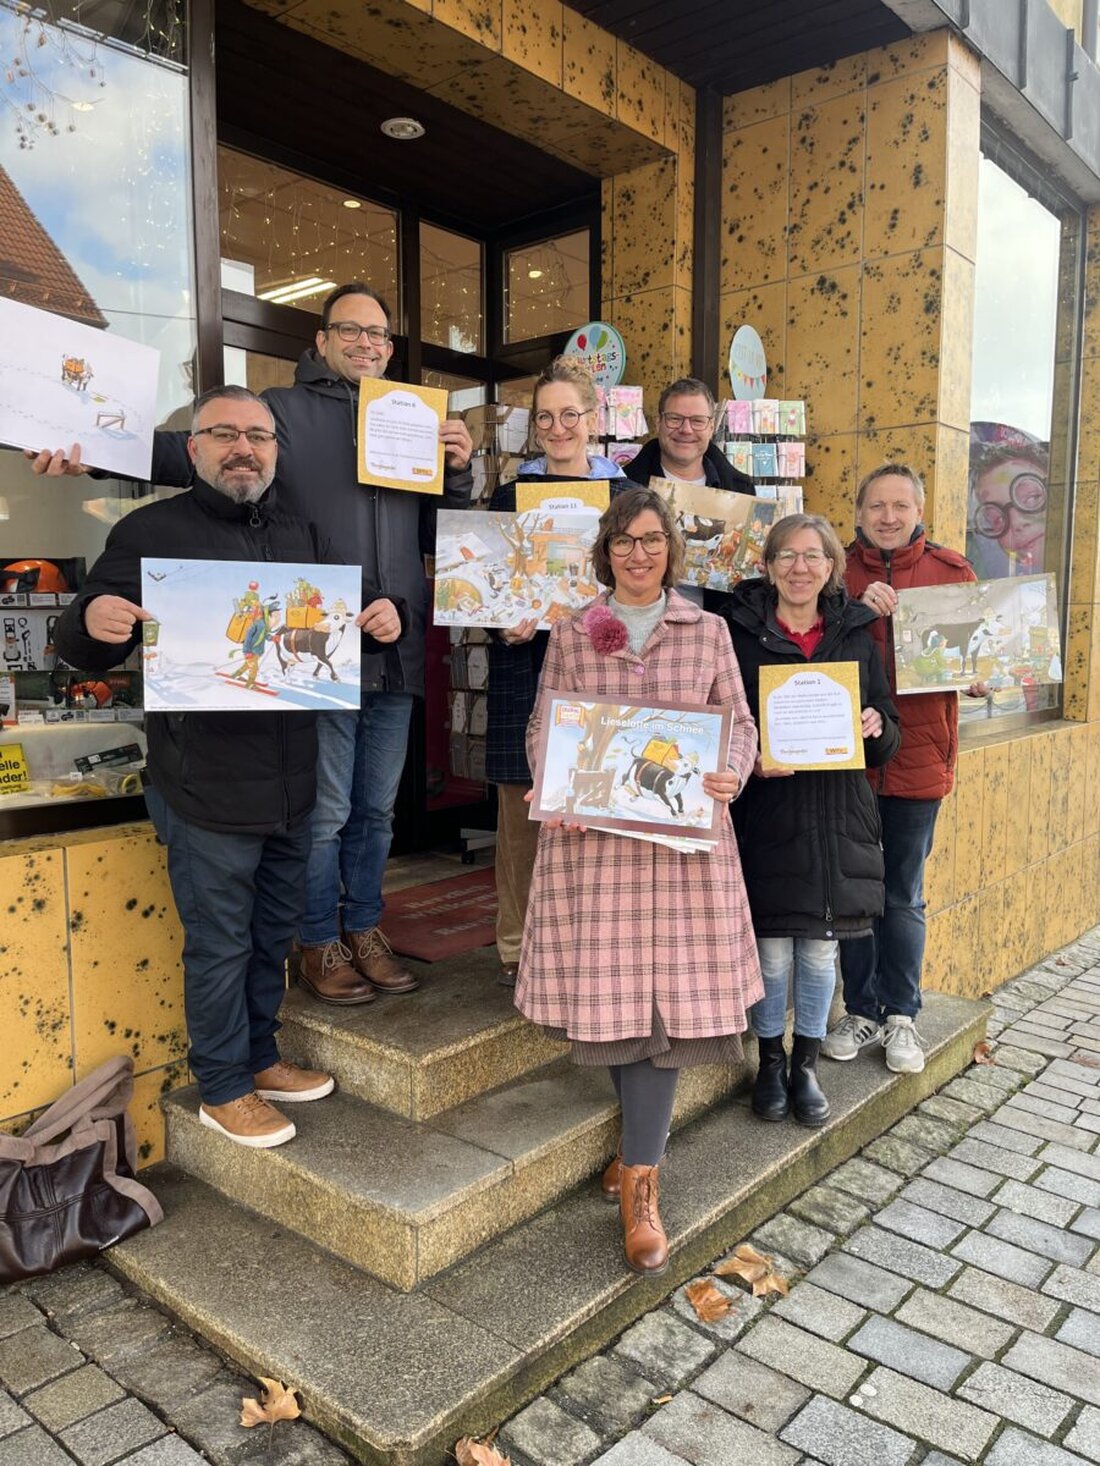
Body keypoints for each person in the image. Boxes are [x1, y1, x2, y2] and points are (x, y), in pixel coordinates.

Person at [29, 281, 474, 1006]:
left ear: (390, 349)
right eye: (349, 330)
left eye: (379, 335)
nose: (366, 343)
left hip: (391, 642)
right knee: (325, 812)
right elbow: (186, 452)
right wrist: (88, 452)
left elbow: (433, 535)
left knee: (375, 811)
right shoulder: (281, 417)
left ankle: (364, 926)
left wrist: (455, 475)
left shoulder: (409, 422)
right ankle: (316, 940)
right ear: (322, 341)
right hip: (311, 648)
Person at [51, 387, 405, 1148]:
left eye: (259, 436)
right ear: (194, 448)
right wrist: (89, 622)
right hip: (202, 780)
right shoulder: (149, 530)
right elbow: (80, 641)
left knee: (273, 931)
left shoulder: (303, 532)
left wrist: (384, 618)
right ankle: (221, 1087)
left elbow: (356, 612)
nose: (244, 448)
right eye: (225, 434)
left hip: (292, 779)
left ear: (276, 450)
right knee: (220, 941)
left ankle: (258, 1055)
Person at [517, 486, 761, 1275]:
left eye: (651, 540)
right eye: (623, 541)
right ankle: (637, 1164)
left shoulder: (709, 629)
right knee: (624, 1001)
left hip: (683, 854)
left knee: (661, 1009)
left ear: (670, 549)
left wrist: (730, 771)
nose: (637, 553)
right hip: (598, 851)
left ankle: (641, 1180)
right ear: (605, 551)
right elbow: (543, 724)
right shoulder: (574, 630)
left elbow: (741, 723)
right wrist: (553, 780)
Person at [723, 513, 900, 1126]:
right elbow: (722, 726)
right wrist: (750, 764)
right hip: (769, 814)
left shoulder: (856, 633)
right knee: (772, 957)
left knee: (821, 957)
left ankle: (807, 1066)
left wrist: (876, 729)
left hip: (837, 822)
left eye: (814, 556)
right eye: (787, 556)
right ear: (768, 566)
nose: (801, 567)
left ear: (832, 567)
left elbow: (886, 726)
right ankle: (769, 1061)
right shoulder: (737, 633)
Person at [824, 464, 981, 1074]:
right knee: (856, 893)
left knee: (904, 893)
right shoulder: (835, 570)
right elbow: (814, 644)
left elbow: (977, 656)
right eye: (876, 506)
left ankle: (902, 1016)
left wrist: (981, 679)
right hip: (850, 762)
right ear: (859, 512)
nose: (888, 517)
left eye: (900, 506)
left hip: (919, 759)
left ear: (920, 511)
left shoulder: (952, 573)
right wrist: (857, 610)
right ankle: (860, 1008)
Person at [488, 356, 629, 986]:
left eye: (569, 414)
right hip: (525, 665)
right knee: (521, 817)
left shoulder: (627, 496)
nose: (558, 427)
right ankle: (518, 950)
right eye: (545, 417)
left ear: (593, 418)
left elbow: (645, 581)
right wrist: (500, 620)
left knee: (596, 811)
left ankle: (588, 947)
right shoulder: (508, 495)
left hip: (603, 671)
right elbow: (486, 585)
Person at [623, 377, 754, 614]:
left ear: (711, 427)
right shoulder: (625, 486)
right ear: (658, 423)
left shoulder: (740, 489)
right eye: (675, 419)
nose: (686, 429)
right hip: (640, 624)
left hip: (717, 630)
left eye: (697, 421)